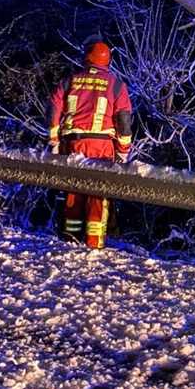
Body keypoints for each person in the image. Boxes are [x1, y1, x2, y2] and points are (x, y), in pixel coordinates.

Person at [47, 39, 133, 249]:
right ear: (108, 61)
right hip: (102, 147)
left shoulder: (70, 81)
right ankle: (94, 244)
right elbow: (123, 120)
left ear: (87, 58)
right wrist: (123, 151)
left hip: (73, 144)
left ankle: (70, 241)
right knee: (98, 193)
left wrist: (54, 142)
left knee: (73, 192)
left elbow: (53, 109)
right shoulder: (116, 85)